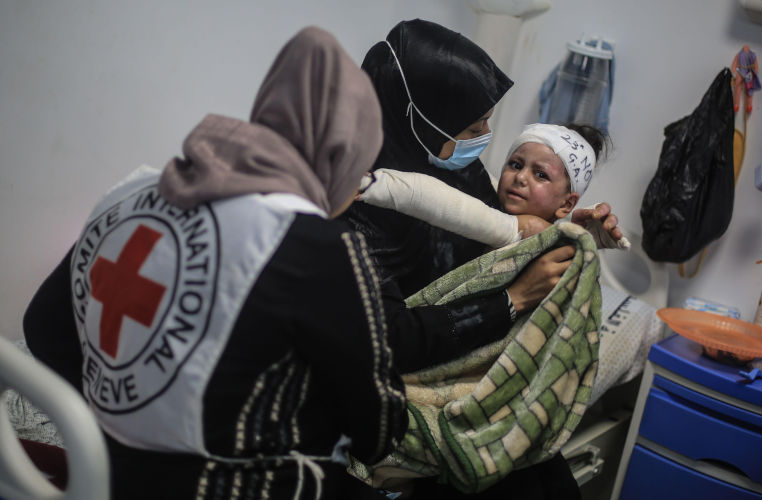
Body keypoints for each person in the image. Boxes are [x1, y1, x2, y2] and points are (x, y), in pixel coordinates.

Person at [23, 26, 407, 500]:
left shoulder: (135, 190)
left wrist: (126, 414)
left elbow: (42, 328)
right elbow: (379, 432)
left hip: (101, 471)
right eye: (359, 172)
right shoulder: (318, 245)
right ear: (338, 158)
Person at [343, 18, 620, 500]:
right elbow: (387, 339)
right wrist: (513, 299)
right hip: (397, 386)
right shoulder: (354, 205)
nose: (485, 138)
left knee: (550, 479)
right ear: (420, 117)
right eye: (473, 127)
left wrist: (568, 236)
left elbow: (498, 239)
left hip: (469, 352)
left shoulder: (457, 167)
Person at [357, 122, 629, 252]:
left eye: (540, 175)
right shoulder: (491, 193)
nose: (521, 177)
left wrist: (374, 185)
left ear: (567, 204)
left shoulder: (537, 235)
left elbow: (442, 203)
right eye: (515, 164)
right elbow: (449, 195)